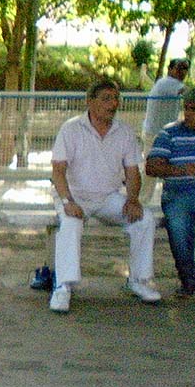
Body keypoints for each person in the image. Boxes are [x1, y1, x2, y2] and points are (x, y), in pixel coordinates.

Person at [48, 79, 161, 313]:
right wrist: (68, 202)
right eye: (106, 98)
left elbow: (133, 172)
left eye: (116, 98)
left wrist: (132, 200)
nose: (113, 104)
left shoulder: (125, 132)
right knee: (70, 224)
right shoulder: (70, 129)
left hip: (108, 197)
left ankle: (138, 280)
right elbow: (58, 170)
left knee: (144, 219)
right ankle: (63, 286)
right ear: (90, 102)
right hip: (74, 196)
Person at [146, 86, 195, 298]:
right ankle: (190, 281)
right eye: (187, 108)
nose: (189, 114)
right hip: (179, 194)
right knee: (178, 226)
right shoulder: (170, 133)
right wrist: (180, 170)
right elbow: (151, 167)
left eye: (194, 109)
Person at [141, 58, 190, 204]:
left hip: (161, 133)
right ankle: (140, 204)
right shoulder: (168, 83)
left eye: (185, 68)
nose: (182, 71)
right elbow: (189, 93)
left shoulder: (169, 84)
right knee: (151, 171)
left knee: (169, 169)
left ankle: (170, 204)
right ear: (170, 69)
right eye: (179, 68)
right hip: (155, 134)